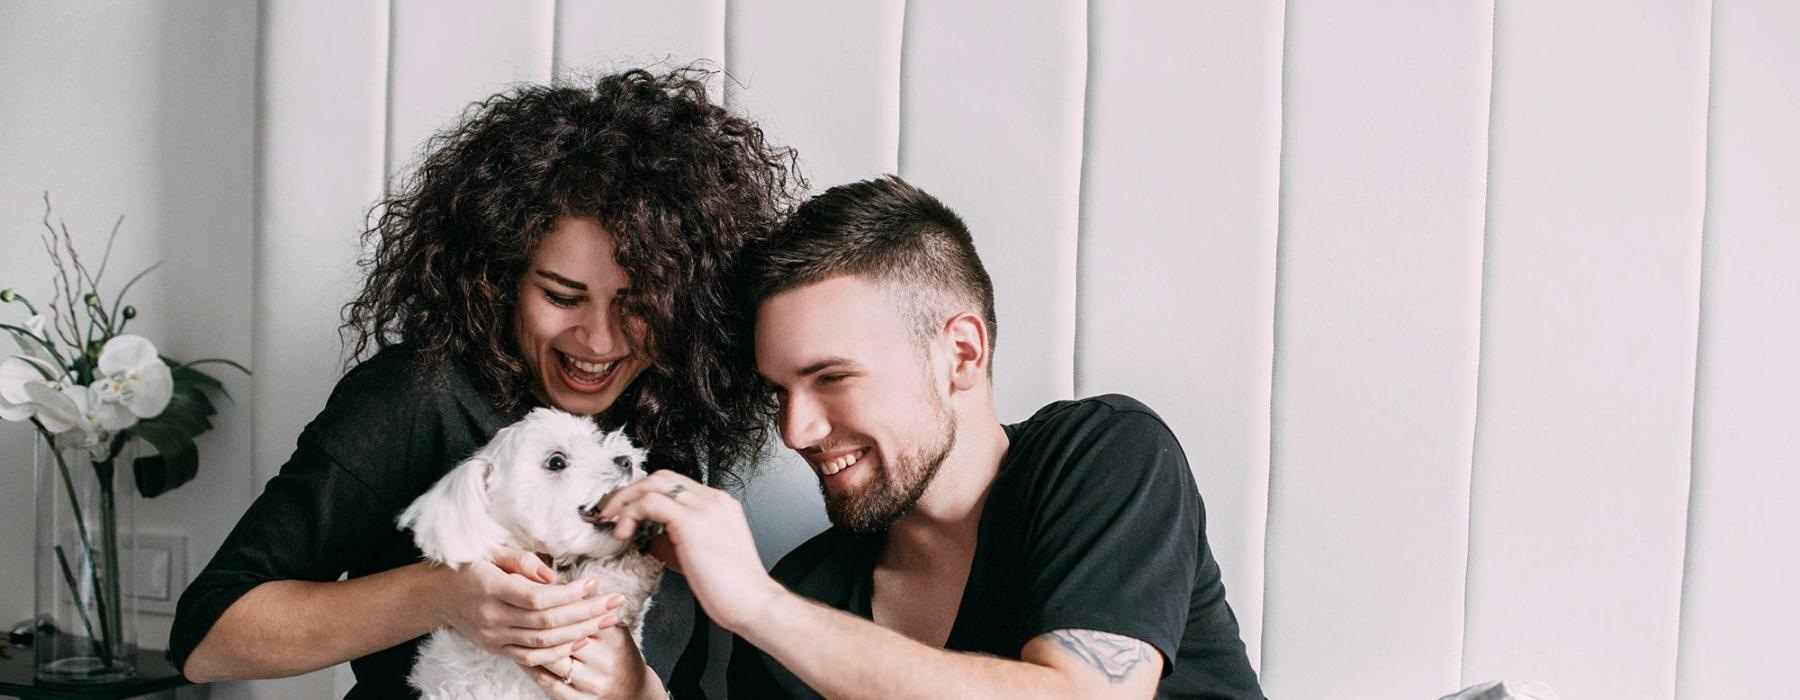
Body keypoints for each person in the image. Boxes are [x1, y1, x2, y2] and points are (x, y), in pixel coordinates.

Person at [169, 67, 801, 699]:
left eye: (638, 305)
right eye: (561, 295)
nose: (600, 341)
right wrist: (441, 596)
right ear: (498, 276)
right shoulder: (418, 396)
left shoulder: (669, 413)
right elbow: (208, 639)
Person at [596, 175, 1265, 699]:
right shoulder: (807, 594)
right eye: (780, 392)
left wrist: (757, 605)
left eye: (832, 377)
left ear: (962, 355)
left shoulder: (1104, 457)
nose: (795, 431)